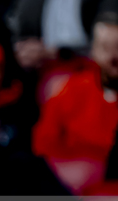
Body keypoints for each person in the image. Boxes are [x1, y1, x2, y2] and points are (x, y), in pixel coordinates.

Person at [32, 13, 118, 190]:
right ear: (93, 50)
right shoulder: (71, 90)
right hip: (75, 192)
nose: (113, 57)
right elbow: (43, 147)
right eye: (105, 48)